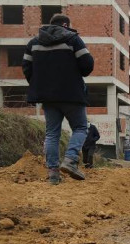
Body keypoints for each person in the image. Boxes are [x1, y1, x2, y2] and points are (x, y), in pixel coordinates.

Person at [22, 14, 94, 185]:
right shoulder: (72, 39)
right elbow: (87, 65)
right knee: (80, 127)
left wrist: (40, 85)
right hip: (72, 95)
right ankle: (70, 160)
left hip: (48, 97)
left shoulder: (34, 43)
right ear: (65, 24)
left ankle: (53, 173)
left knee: (52, 133)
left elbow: (26, 68)